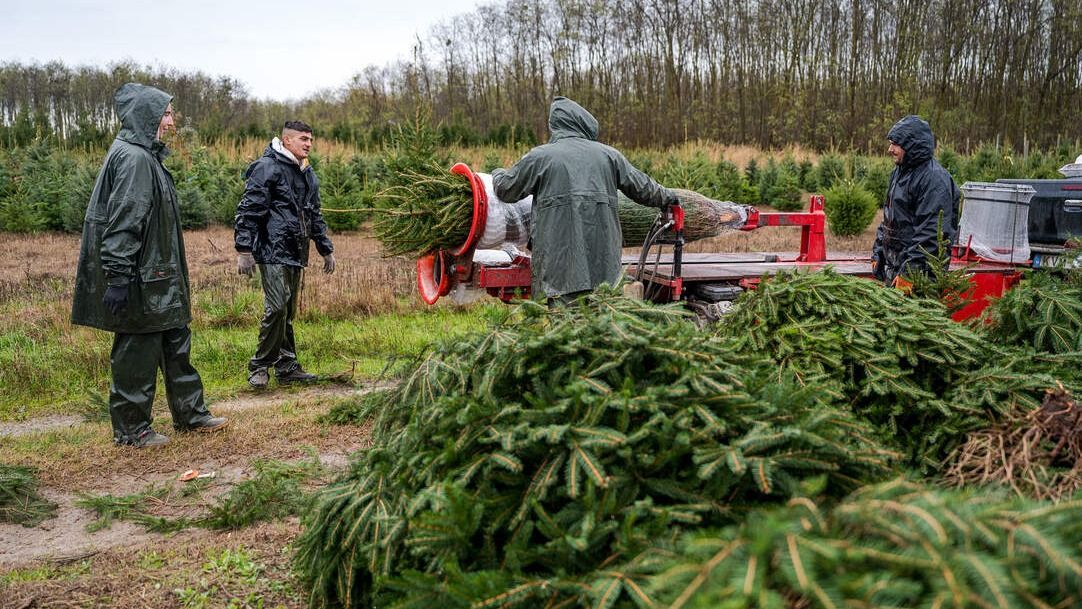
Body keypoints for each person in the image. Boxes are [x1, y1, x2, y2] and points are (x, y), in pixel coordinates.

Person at [71, 83, 226, 448]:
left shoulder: (145, 155)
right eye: (166, 114)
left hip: (161, 277)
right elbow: (124, 220)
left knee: (176, 343)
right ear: (148, 116)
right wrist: (119, 277)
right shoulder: (135, 159)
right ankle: (131, 428)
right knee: (137, 350)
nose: (171, 122)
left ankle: (190, 413)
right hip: (143, 280)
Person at [492, 96, 678, 303]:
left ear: (556, 125)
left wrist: (497, 172)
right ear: (584, 124)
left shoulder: (541, 157)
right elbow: (645, 188)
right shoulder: (609, 156)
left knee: (565, 329)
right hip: (604, 267)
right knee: (601, 324)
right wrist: (671, 198)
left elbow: (506, 190)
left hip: (559, 268)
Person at [234, 121, 335, 389]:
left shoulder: (307, 173)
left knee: (287, 311)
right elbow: (249, 209)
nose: (308, 144)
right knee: (277, 307)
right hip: (271, 249)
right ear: (287, 140)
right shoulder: (267, 168)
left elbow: (314, 214)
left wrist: (325, 248)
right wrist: (244, 249)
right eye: (303, 139)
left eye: (311, 140)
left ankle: (287, 366)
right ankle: (259, 365)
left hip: (295, 250)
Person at [871, 115, 960, 290]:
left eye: (895, 144)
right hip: (896, 269)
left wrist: (911, 273)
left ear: (911, 145)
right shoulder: (898, 174)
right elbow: (889, 219)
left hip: (920, 277)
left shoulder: (934, 180)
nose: (890, 149)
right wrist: (879, 251)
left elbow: (932, 233)